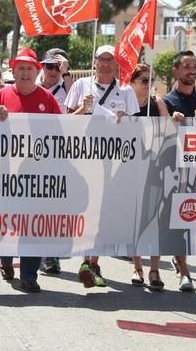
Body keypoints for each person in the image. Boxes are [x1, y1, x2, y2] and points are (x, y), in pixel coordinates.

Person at [0, 48, 62, 293]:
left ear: (37, 72)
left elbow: (62, 132)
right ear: (13, 72)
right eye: (21, 68)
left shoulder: (47, 98)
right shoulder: (2, 95)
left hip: (37, 174)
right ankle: (6, 261)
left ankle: (29, 275)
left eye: (29, 68)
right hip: (7, 174)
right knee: (8, 222)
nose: (25, 72)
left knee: (32, 225)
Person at [65, 44, 139, 288]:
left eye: (110, 59)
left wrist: (124, 121)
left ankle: (91, 262)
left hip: (113, 160)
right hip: (82, 157)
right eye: (101, 59)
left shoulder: (126, 90)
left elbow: (135, 128)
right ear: (94, 62)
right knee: (83, 207)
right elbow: (65, 122)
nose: (106, 64)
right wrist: (82, 109)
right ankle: (83, 258)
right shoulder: (80, 86)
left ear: (116, 64)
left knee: (102, 210)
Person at [161, 50, 196, 293]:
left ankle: (178, 258)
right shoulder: (165, 101)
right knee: (180, 219)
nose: (191, 70)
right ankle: (185, 271)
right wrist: (170, 121)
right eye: (186, 66)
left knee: (192, 221)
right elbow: (159, 137)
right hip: (175, 170)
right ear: (175, 70)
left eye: (194, 66)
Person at [128, 64, 169, 291]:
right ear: (132, 82)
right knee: (135, 221)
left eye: (149, 80)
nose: (147, 84)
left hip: (155, 168)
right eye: (143, 80)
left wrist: (176, 119)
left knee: (155, 220)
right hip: (130, 169)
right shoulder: (125, 102)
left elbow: (168, 131)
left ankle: (155, 269)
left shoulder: (157, 103)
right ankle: (137, 267)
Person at [37, 47, 71, 274]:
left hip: (58, 153)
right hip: (31, 152)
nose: (52, 71)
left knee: (54, 207)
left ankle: (51, 255)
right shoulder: (34, 86)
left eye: (57, 66)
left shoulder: (69, 87)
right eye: (49, 66)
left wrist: (66, 74)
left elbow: (76, 110)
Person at [38, 48, 71, 113]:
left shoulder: (66, 86)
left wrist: (65, 73)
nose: (53, 71)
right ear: (43, 66)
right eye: (49, 66)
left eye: (58, 67)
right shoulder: (32, 84)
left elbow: (74, 97)